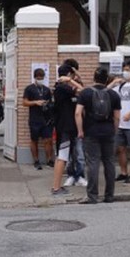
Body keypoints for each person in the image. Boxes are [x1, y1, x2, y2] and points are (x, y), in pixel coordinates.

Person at [75, 67, 121, 204]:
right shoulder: (114, 95)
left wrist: (80, 130)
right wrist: (115, 130)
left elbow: (78, 113)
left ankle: (92, 196)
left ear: (94, 78)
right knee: (109, 162)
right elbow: (117, 117)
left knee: (93, 163)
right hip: (108, 131)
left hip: (91, 131)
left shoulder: (86, 93)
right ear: (107, 79)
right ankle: (109, 195)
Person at [50, 65, 82, 196]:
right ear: (68, 74)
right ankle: (56, 188)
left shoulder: (60, 87)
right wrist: (71, 80)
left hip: (63, 126)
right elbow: (83, 90)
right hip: (66, 127)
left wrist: (75, 76)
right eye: (72, 75)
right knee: (62, 157)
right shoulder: (63, 88)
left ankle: (57, 186)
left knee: (61, 157)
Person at [23, 68, 54, 170]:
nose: (40, 79)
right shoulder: (29, 89)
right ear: (35, 77)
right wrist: (35, 102)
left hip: (46, 119)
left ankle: (49, 160)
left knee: (48, 140)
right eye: (38, 78)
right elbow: (24, 102)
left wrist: (47, 104)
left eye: (42, 78)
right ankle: (36, 161)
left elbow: (51, 103)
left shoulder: (46, 89)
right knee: (34, 140)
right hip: (34, 119)